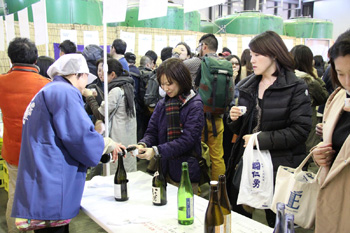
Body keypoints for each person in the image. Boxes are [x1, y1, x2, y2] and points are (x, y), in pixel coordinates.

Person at [11, 53, 124, 233]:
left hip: (42, 172)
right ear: (78, 74)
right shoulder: (65, 92)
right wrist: (107, 144)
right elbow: (78, 136)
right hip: (53, 177)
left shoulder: (50, 90)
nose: (87, 82)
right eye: (86, 76)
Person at [226, 31, 312, 227]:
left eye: (257, 55)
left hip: (280, 168)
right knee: (240, 218)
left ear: (274, 54)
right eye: (251, 54)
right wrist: (233, 119)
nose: (251, 60)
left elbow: (300, 130)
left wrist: (259, 139)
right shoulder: (247, 85)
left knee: (277, 222)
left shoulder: (296, 87)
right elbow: (243, 127)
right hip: (249, 163)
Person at [131, 58, 204, 194]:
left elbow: (186, 141)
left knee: (184, 210)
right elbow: (152, 131)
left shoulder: (195, 105)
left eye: (169, 84)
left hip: (184, 171)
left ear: (181, 80)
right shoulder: (163, 103)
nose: (165, 88)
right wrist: (142, 144)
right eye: (162, 84)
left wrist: (156, 151)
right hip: (163, 168)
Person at [0, 37, 51, 233]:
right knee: (40, 193)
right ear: (35, 60)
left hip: (13, 151)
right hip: (39, 152)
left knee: (15, 193)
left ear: (11, 59)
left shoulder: (1, 82)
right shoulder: (47, 85)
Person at [312, 30, 350, 233]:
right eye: (341, 74)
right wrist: (320, 153)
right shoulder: (338, 97)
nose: (347, 82)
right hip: (333, 199)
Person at [83, 58, 137, 173]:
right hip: (127, 135)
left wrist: (89, 97)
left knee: (117, 171)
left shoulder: (116, 90)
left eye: (103, 72)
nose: (100, 74)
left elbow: (101, 114)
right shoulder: (127, 86)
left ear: (112, 74)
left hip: (118, 137)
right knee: (127, 170)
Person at [290, 45, 329, 152]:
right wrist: (316, 77)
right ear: (308, 61)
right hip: (306, 129)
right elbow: (324, 96)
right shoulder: (309, 80)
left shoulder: (285, 77)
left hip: (288, 131)